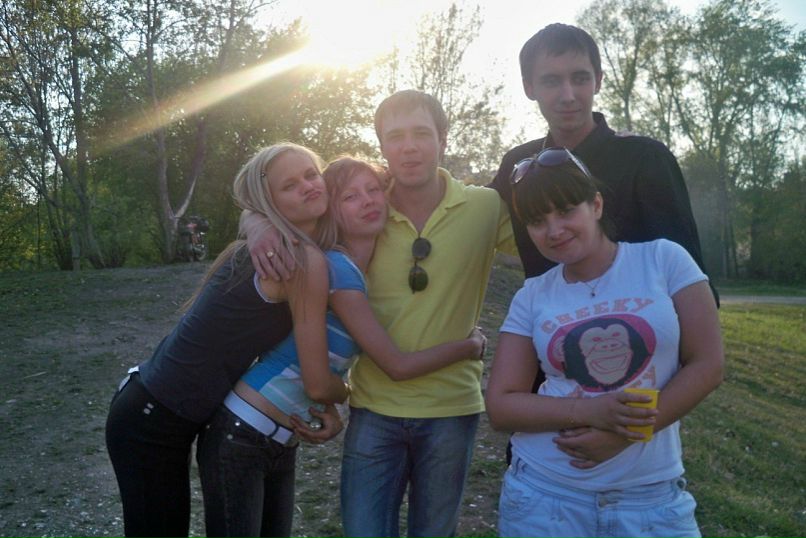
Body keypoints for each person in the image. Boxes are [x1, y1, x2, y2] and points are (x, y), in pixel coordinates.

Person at [246, 90, 516, 538]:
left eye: (421, 134)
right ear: (382, 146)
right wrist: (255, 224)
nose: (409, 147)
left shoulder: (484, 207)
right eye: (396, 137)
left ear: (443, 139)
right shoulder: (365, 207)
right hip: (374, 408)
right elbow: (287, 204)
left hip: (451, 410)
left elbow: (554, 236)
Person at [196, 156, 486, 538]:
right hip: (243, 428)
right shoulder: (338, 269)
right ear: (332, 209)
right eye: (350, 196)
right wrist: (469, 346)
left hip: (273, 434)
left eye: (373, 190)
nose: (367, 201)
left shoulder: (354, 270)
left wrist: (327, 404)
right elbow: (395, 366)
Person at [488, 22, 717, 463]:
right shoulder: (519, 166)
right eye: (551, 81)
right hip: (547, 376)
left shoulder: (645, 159)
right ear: (529, 87)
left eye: (580, 77)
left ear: (599, 80)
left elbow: (694, 298)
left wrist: (632, 427)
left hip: (634, 381)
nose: (568, 94)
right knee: (539, 471)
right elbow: (467, 209)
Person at [105, 142, 352, 538]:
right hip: (151, 419)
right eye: (289, 185)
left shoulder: (286, 248)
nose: (308, 186)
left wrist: (255, 221)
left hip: (160, 406)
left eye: (311, 174)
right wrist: (347, 395)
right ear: (269, 204)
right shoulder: (293, 258)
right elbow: (316, 377)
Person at [484, 147, 724, 538]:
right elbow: (501, 405)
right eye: (537, 221)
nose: (554, 230)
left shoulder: (664, 260)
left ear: (595, 205)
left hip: (650, 503)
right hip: (545, 499)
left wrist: (626, 432)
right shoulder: (532, 295)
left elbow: (708, 364)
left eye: (566, 211)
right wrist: (591, 411)